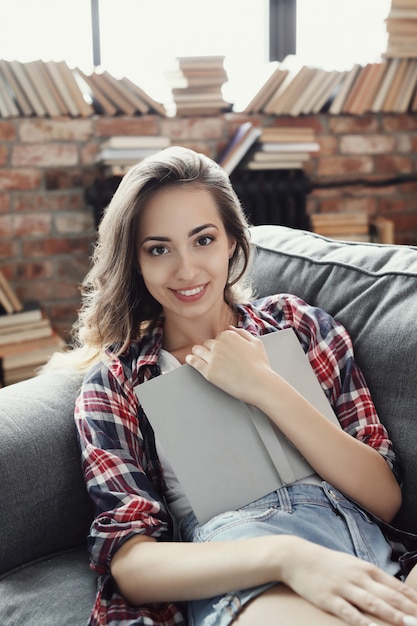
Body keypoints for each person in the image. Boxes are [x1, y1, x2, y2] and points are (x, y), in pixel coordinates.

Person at [71, 146, 417, 626]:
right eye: (158, 249)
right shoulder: (117, 382)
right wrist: (287, 557)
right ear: (134, 260)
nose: (187, 270)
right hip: (247, 568)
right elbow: (131, 564)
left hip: (366, 544)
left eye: (203, 240)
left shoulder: (296, 324)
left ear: (233, 239)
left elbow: (385, 497)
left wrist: (264, 386)